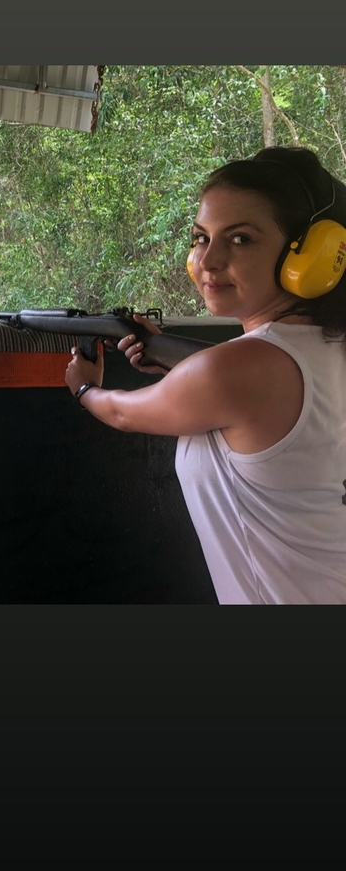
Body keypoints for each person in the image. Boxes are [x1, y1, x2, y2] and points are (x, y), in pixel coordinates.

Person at [65, 145, 346, 604]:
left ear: (309, 257)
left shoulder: (237, 370)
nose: (208, 261)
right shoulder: (326, 346)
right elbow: (257, 385)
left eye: (240, 239)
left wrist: (83, 387)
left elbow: (121, 413)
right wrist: (175, 359)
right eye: (201, 237)